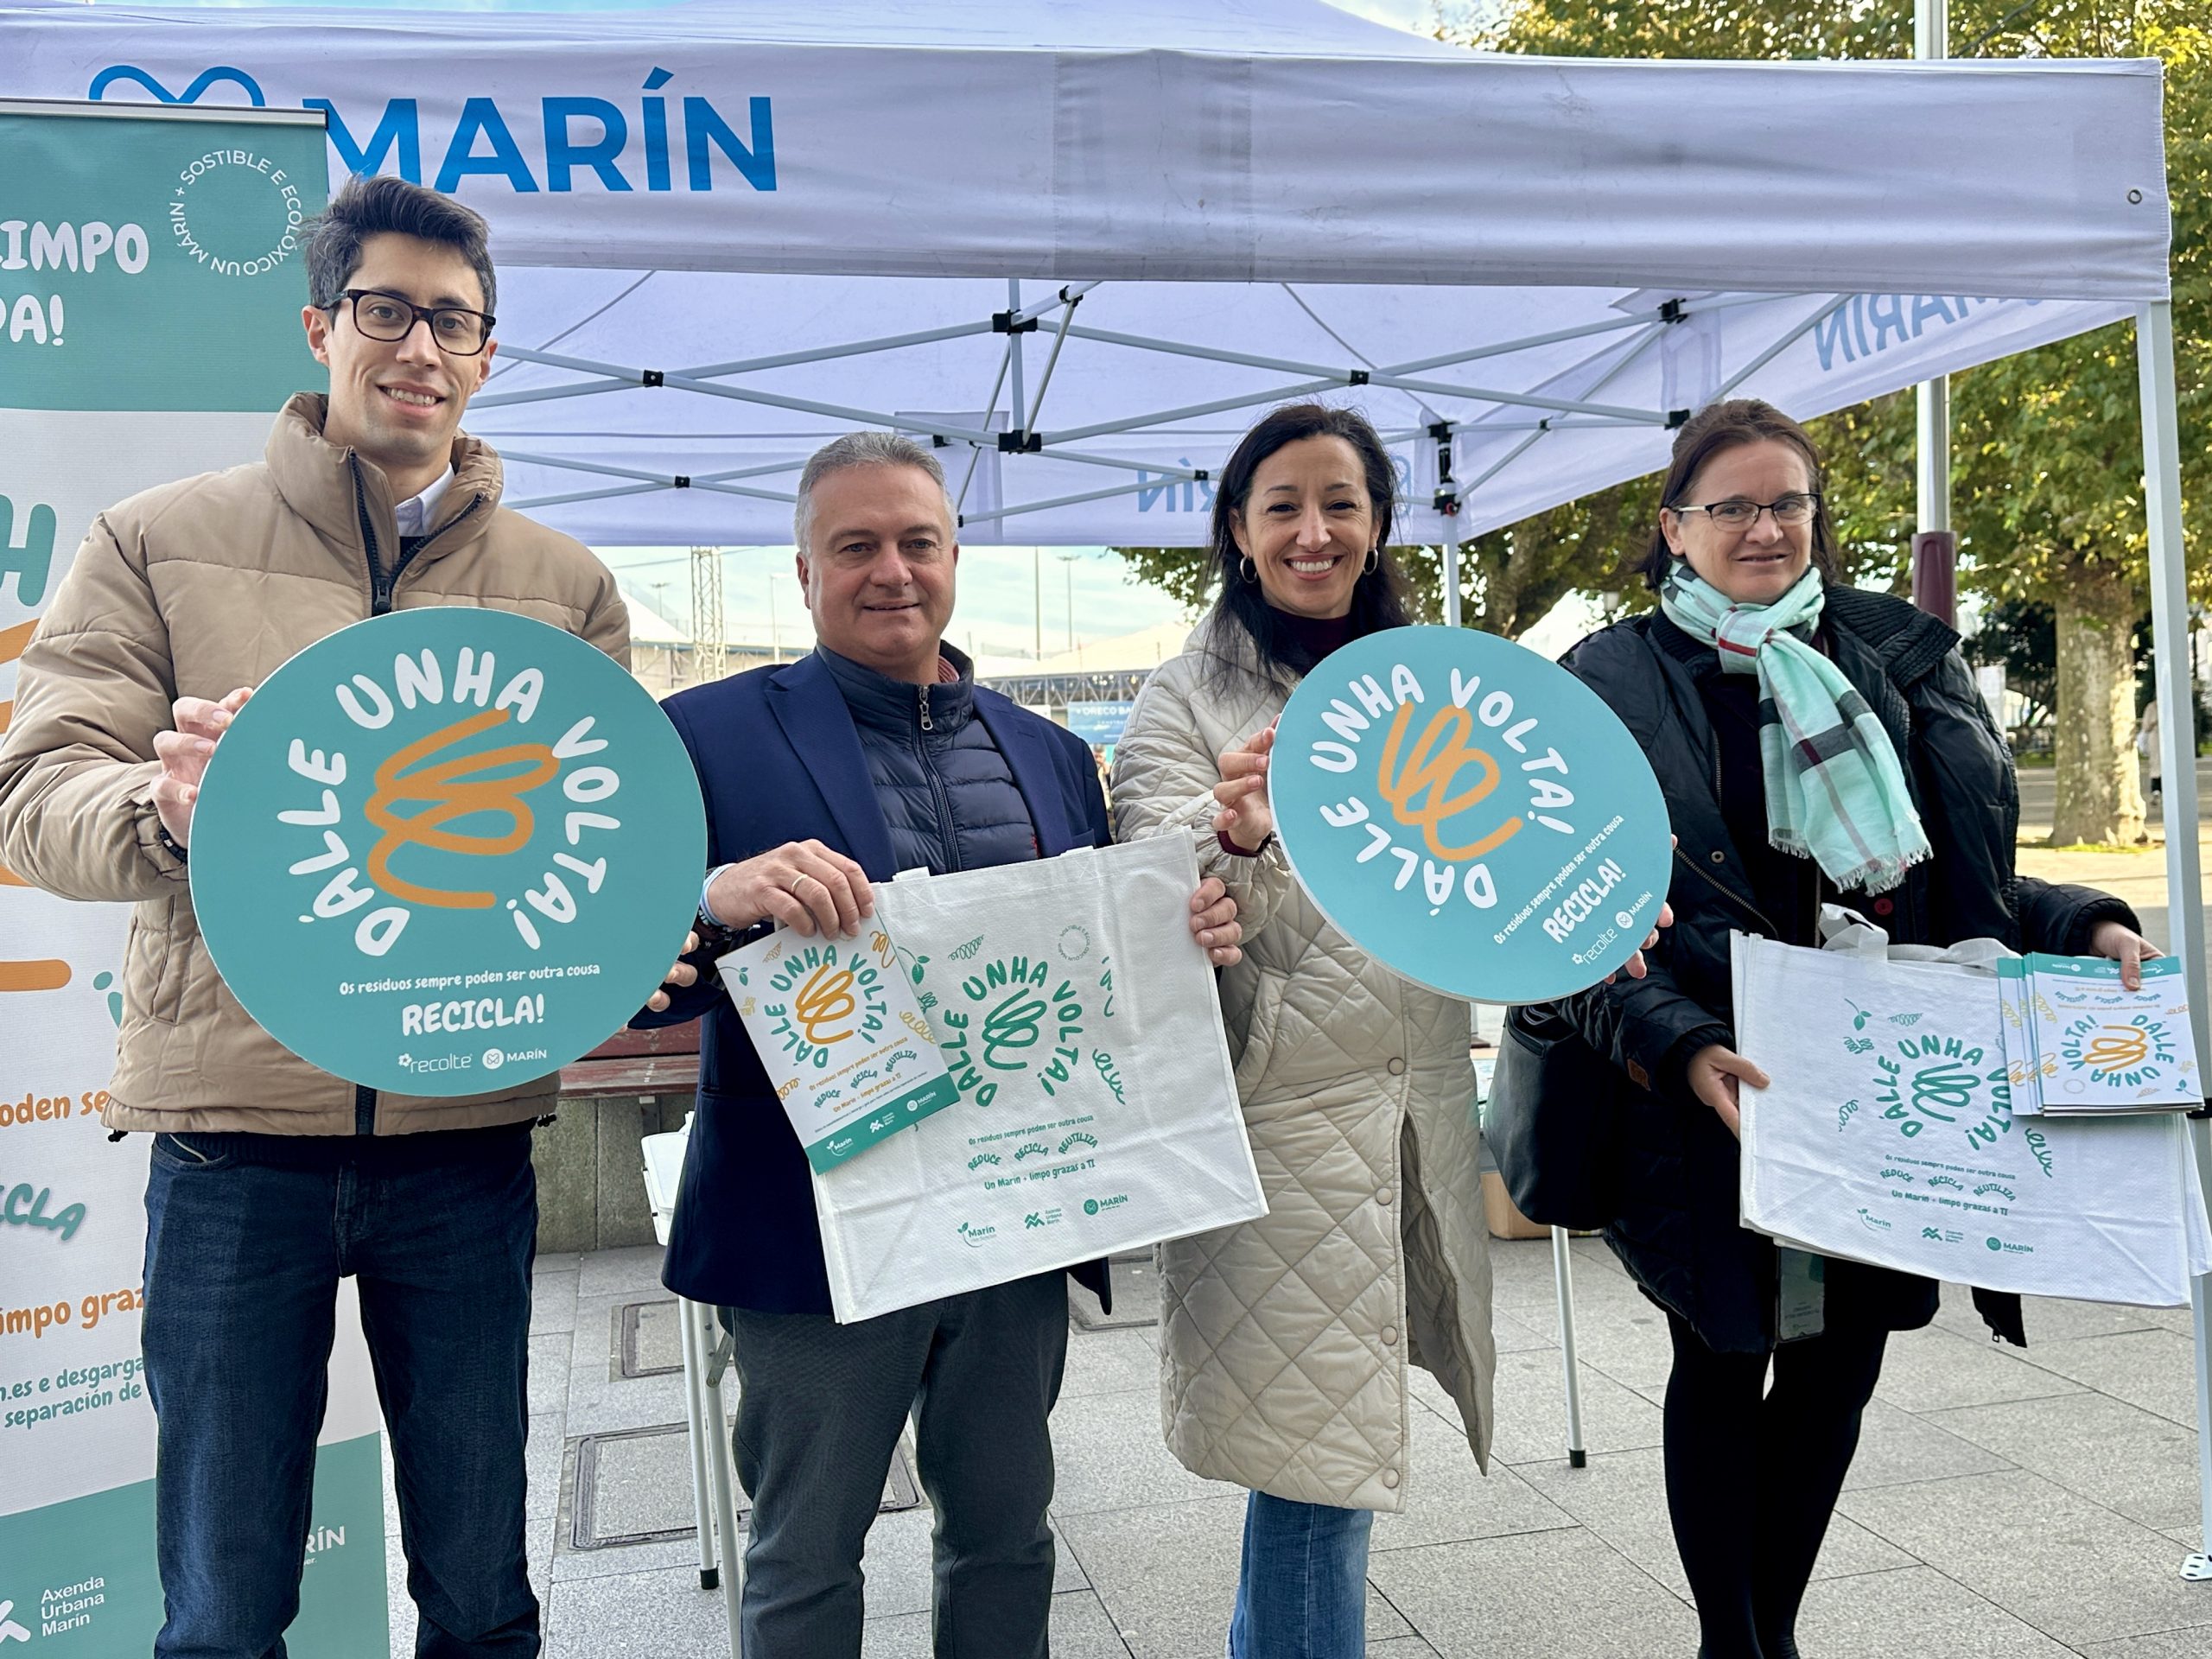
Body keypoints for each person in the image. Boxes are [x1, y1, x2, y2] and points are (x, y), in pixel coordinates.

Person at [0, 175, 627, 1656]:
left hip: (467, 1139)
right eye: (386, 309)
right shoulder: (156, 539)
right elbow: (33, 795)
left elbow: (604, 839)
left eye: (453, 321)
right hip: (234, 1145)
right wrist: (159, 814)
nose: (419, 346)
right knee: (224, 1601)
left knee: (482, 1589)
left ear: (486, 353)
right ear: (320, 326)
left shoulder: (564, 585)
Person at [1553, 398, 2152, 1659]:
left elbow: (1958, 878)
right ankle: (1736, 1641)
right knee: (1725, 1356)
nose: (1764, 528)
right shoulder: (1601, 685)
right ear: (1673, 529)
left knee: (1841, 1367)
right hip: (1713, 1079)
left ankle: (1778, 1632)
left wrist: (2087, 924)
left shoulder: (1898, 654)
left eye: (1788, 504)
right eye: (1732, 507)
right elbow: (1558, 923)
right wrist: (1672, 1041)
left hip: (1882, 1075)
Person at [636, 431, 1244, 1658]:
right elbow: (634, 977)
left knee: (1008, 1535)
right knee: (806, 1554)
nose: (891, 571)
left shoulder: (1055, 753)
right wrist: (717, 897)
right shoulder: (700, 735)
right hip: (812, 1228)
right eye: (854, 547)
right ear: (802, 574)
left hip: (1019, 1220)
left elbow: (1104, 965)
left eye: (918, 542)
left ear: (956, 556)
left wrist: (1188, 929)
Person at [1111, 404, 1511, 1656]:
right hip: (1276, 1141)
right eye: (1281, 505)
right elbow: (1149, 889)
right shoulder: (1183, 700)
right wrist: (1232, 836)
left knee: (1325, 1470)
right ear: (1237, 529)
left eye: (1340, 502)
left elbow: (1510, 866)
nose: (1313, 530)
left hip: (1418, 1126)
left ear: (1381, 522)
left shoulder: (1441, 683)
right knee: (1318, 1479)